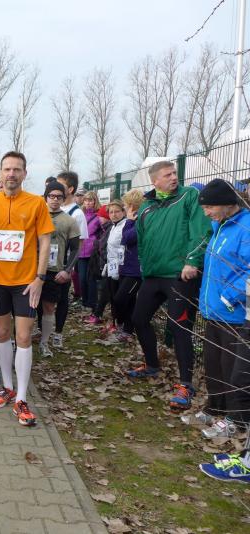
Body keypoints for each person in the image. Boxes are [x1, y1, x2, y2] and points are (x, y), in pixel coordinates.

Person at [0, 151, 54, 427]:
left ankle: (21, 397)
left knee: (23, 336)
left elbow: (45, 242)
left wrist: (40, 278)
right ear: (0, 173)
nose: (11, 174)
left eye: (17, 169)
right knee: (1, 333)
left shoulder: (36, 203)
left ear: (24, 173)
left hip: (26, 283)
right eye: (7, 169)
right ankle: (7, 387)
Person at [127, 161, 212, 412]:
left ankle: (186, 385)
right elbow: (142, 241)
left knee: (179, 327)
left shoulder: (189, 196)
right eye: (167, 175)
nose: (174, 177)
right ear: (155, 181)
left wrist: (192, 261)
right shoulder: (146, 207)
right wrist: (145, 267)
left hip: (179, 275)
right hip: (153, 275)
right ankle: (152, 365)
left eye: (175, 173)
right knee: (138, 319)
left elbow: (201, 231)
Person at [195, 179, 250, 438]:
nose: (206, 213)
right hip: (213, 310)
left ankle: (235, 419)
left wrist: (229, 297)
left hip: (234, 313)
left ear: (227, 203)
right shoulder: (219, 225)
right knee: (213, 364)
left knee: (233, 369)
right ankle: (215, 407)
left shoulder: (245, 227)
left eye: (209, 207)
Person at [37, 181, 80, 359]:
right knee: (26, 307)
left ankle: (44, 342)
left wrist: (67, 270)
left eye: (59, 197)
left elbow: (76, 249)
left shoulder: (69, 221)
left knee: (48, 307)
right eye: (51, 196)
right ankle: (20, 341)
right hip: (32, 269)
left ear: (63, 199)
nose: (55, 200)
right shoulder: (36, 216)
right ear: (45, 197)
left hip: (54, 271)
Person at [51, 172, 89, 348]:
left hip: (63, 265)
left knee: (61, 299)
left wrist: (68, 269)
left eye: (61, 185)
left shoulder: (77, 214)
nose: (57, 188)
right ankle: (42, 329)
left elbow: (78, 246)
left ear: (71, 189)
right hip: (46, 263)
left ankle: (58, 333)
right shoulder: (49, 207)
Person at [103, 199, 141, 342]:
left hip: (131, 269)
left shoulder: (129, 223)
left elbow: (127, 240)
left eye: (117, 211)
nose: (114, 214)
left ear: (124, 212)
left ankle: (126, 327)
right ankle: (124, 328)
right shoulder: (113, 226)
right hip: (116, 268)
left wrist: (130, 221)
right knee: (121, 299)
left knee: (121, 299)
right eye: (111, 212)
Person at [77, 192, 102, 313]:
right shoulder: (80, 214)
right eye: (86, 200)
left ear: (95, 201)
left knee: (91, 279)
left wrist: (97, 244)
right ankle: (84, 300)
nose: (88, 202)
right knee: (82, 278)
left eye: (90, 200)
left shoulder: (98, 216)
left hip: (93, 252)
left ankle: (92, 303)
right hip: (81, 251)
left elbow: (103, 232)